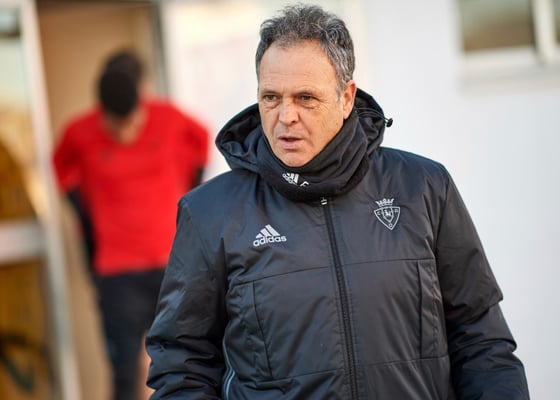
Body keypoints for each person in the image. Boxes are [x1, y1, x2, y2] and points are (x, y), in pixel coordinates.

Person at [146, 4, 529, 399]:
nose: (285, 116)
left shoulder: (424, 189)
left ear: (346, 98)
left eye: (305, 98)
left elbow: (481, 340)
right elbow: (181, 365)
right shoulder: (211, 214)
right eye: (271, 97)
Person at [52, 50, 210, 400]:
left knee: (184, 365)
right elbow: (59, 165)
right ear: (101, 114)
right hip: (117, 274)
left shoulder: (167, 117)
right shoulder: (79, 132)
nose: (126, 133)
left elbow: (203, 139)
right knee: (125, 372)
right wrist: (83, 212)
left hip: (171, 267)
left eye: (132, 121)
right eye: (117, 125)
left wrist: (190, 197)